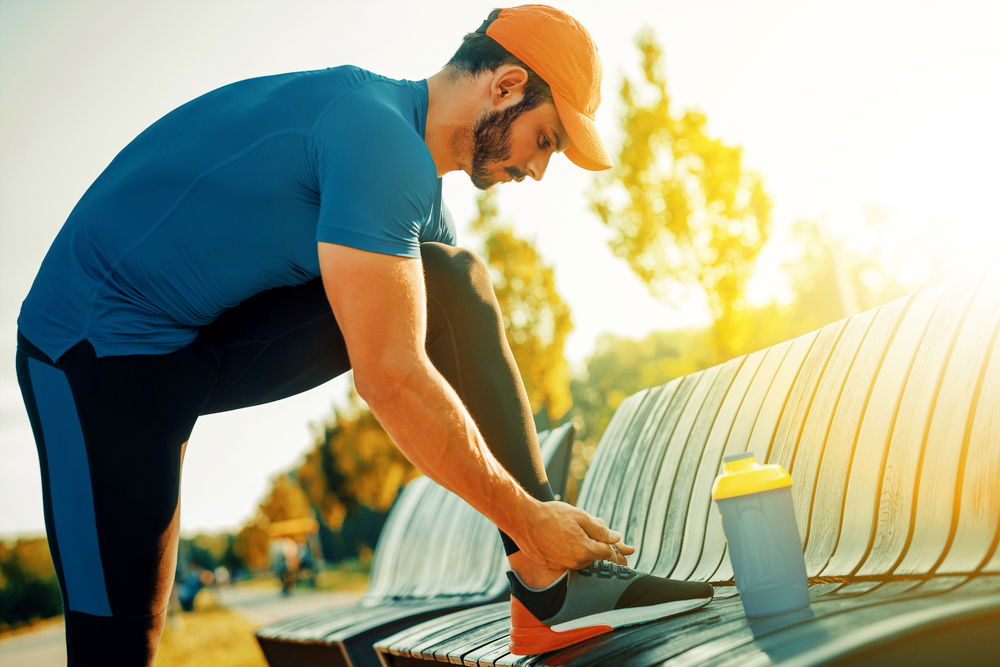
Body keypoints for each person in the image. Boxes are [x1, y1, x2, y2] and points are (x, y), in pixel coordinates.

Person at [14, 5, 712, 664]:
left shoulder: (421, 208)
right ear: (507, 86)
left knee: (451, 283)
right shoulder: (374, 134)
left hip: (193, 345)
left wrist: (534, 521)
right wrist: (530, 515)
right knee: (120, 642)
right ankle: (539, 550)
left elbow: (436, 355)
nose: (537, 168)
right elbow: (390, 378)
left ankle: (546, 586)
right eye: (545, 140)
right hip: (88, 351)